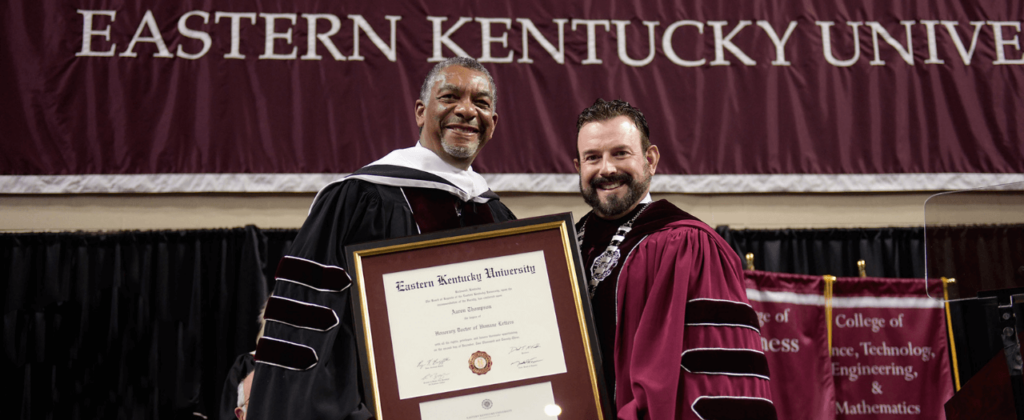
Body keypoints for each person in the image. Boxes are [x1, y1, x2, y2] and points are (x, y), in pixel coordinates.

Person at [248, 57, 515, 420]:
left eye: (481, 103)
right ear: (421, 112)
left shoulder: (498, 216)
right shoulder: (358, 199)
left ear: (493, 123)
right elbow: (307, 321)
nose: (466, 110)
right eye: (450, 97)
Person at [573, 99, 776, 419]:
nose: (607, 169)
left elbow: (715, 379)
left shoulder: (690, 246)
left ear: (650, 159)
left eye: (620, 153)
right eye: (593, 158)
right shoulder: (564, 248)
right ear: (578, 167)